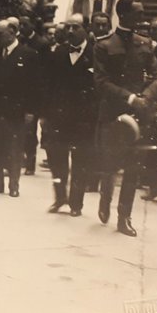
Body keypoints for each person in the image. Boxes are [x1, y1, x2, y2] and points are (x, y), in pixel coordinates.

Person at [94, 0, 157, 237]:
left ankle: (124, 217)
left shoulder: (145, 43)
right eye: (138, 13)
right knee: (109, 164)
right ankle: (105, 199)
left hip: (138, 113)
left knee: (133, 167)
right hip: (113, 113)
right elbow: (101, 81)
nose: (142, 17)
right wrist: (130, 98)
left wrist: (145, 96)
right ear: (123, 15)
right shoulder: (103, 45)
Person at [43, 14, 97, 216]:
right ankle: (59, 198)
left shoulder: (95, 54)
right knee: (57, 159)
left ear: (86, 30)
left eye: (76, 27)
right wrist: (45, 115)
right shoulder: (58, 53)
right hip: (59, 117)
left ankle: (76, 203)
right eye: (69, 27)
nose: (71, 31)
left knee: (81, 161)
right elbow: (48, 86)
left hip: (84, 119)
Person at [0, 20, 38, 197]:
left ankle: (14, 185)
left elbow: (34, 86)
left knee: (15, 148)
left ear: (12, 32)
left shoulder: (28, 54)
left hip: (17, 111)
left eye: (0, 33)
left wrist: (31, 110)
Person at [18, 15, 50, 175]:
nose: (22, 28)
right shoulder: (20, 41)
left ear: (32, 25)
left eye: (25, 24)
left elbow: (44, 71)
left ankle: (30, 162)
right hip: (21, 91)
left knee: (30, 129)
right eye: (20, 24)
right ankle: (21, 159)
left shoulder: (42, 44)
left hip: (35, 92)